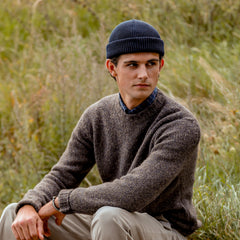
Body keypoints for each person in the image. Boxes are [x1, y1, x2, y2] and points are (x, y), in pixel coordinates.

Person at [0, 19, 202, 240]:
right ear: (112, 68)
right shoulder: (98, 115)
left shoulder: (181, 124)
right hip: (110, 222)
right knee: (14, 215)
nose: (143, 73)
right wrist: (30, 204)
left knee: (108, 217)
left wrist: (63, 202)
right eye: (133, 65)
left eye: (151, 64)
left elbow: (136, 192)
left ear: (160, 67)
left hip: (164, 228)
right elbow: (63, 175)